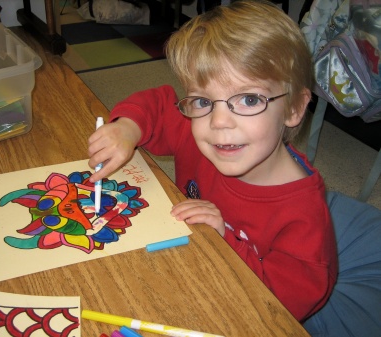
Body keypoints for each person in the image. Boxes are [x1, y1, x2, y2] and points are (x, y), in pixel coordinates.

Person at [88, 0, 337, 322]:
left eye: (249, 99)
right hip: (182, 262)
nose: (219, 122)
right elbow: (159, 104)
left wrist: (224, 241)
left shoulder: (304, 219)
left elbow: (280, 309)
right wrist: (126, 128)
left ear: (294, 109)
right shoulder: (205, 133)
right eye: (204, 100)